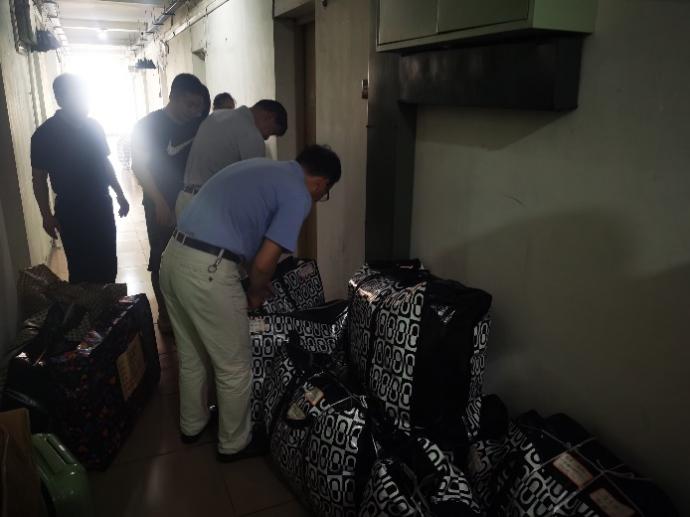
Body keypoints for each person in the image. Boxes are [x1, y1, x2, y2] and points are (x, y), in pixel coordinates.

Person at [159, 145, 340, 462]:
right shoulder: (299, 193)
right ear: (321, 183)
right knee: (234, 366)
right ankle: (234, 443)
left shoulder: (262, 167)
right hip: (208, 271)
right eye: (323, 194)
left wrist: (255, 277)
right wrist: (256, 292)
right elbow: (264, 263)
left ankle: (193, 425)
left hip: (173, 258)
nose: (317, 199)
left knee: (191, 354)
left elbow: (244, 235)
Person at [31, 73, 129, 284]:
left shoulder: (94, 127)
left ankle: (108, 304)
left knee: (108, 264)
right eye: (78, 96)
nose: (85, 101)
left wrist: (120, 194)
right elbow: (38, 179)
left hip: (100, 204)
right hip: (70, 211)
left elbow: (104, 164)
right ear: (61, 99)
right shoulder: (44, 135)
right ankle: (86, 306)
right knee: (80, 268)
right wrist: (46, 215)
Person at [131, 73, 207, 332]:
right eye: (190, 104)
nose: (195, 111)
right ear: (173, 97)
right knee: (162, 259)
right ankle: (165, 315)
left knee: (191, 258)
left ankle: (188, 311)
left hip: (193, 204)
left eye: (198, 106)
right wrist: (160, 202)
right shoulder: (148, 126)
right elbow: (139, 167)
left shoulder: (197, 125)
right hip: (160, 202)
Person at [175, 99, 288, 216]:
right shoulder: (252, 134)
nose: (266, 137)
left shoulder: (216, 115)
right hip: (207, 207)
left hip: (185, 199)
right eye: (270, 132)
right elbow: (255, 189)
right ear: (269, 117)